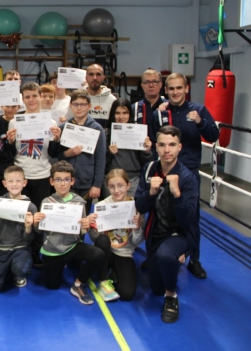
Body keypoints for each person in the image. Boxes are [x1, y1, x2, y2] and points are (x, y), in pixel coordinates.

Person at [151, 72, 219, 279]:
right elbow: (154, 141)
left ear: (186, 88)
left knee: (190, 217)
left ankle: (194, 260)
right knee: (159, 214)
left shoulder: (198, 110)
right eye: (171, 88)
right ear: (166, 90)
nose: (175, 92)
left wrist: (200, 122)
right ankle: (155, 254)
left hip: (188, 172)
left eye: (179, 88)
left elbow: (214, 135)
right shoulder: (160, 113)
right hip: (163, 171)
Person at [135, 125, 199, 323]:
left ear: (180, 147)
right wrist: (151, 193)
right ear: (156, 146)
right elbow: (140, 204)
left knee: (166, 256)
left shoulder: (188, 178)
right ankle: (170, 261)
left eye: (172, 145)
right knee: (155, 288)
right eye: (162, 145)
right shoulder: (149, 169)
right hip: (156, 232)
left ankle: (171, 296)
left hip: (179, 232)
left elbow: (188, 220)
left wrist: (177, 194)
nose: (167, 150)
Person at [6, 83, 60, 268]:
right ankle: (17, 249)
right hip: (21, 175)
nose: (31, 100)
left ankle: (36, 253)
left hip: (42, 174)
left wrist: (57, 139)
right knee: (19, 216)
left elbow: (53, 153)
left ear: (40, 96)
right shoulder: (15, 122)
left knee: (38, 217)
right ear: (22, 98)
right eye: (27, 96)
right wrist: (9, 142)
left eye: (34, 96)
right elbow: (9, 152)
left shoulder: (51, 123)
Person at [36, 161, 105, 305]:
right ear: (51, 181)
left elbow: (83, 230)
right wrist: (36, 222)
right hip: (52, 250)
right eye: (58, 179)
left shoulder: (79, 201)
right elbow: (40, 230)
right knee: (53, 286)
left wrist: (88, 226)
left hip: (72, 245)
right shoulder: (46, 202)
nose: (62, 184)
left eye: (66, 179)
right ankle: (62, 264)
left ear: (72, 181)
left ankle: (78, 284)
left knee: (98, 254)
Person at [0, 166, 37, 293]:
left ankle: (18, 273)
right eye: (10, 181)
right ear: (4, 183)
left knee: (20, 268)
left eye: (18, 181)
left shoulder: (31, 207)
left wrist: (28, 228)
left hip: (21, 249)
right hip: (1, 249)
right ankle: (7, 269)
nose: (14, 184)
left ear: (24, 183)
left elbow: (31, 238)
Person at [89, 169, 144, 301]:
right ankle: (103, 280)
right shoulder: (102, 206)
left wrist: (137, 228)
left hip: (124, 253)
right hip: (105, 251)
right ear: (107, 187)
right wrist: (92, 227)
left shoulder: (136, 208)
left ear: (128, 185)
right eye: (112, 186)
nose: (116, 190)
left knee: (127, 294)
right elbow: (95, 239)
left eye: (120, 186)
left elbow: (136, 242)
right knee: (102, 239)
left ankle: (114, 272)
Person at [49, 89, 107, 215]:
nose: (79, 108)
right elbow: (53, 154)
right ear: (70, 106)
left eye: (83, 104)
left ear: (89, 106)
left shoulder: (97, 128)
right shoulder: (64, 127)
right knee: (65, 216)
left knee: (81, 220)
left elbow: (101, 158)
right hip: (66, 182)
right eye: (75, 104)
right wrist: (66, 153)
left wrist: (97, 184)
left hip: (86, 183)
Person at [105, 98, 153, 197]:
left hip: (133, 179)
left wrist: (147, 152)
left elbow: (146, 163)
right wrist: (109, 153)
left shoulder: (138, 133)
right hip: (111, 180)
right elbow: (100, 163)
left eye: (125, 113)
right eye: (117, 113)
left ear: (130, 114)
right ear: (112, 114)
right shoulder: (106, 134)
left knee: (134, 211)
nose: (121, 116)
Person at [84, 64, 116, 128]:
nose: (95, 78)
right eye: (91, 74)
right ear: (86, 78)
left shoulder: (112, 100)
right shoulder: (78, 99)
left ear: (103, 78)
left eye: (98, 74)